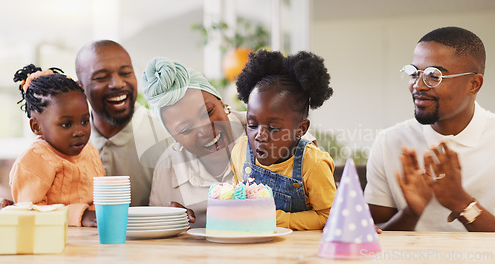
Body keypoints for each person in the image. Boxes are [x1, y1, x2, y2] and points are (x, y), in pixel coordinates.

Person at [364, 26, 495, 232]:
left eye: (434, 76)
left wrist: (462, 203)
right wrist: (411, 212)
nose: (418, 85)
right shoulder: (389, 142)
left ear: (474, 84)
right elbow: (376, 234)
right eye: (414, 73)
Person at [231, 49, 337, 230]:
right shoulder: (240, 152)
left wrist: (277, 219)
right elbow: (238, 200)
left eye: (273, 128)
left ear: (301, 129)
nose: (260, 136)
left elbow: (330, 216)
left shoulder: (313, 164)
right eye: (252, 125)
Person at [142, 57, 246, 227]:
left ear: (222, 103)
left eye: (208, 112)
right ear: (174, 138)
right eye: (185, 130)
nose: (206, 131)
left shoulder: (271, 133)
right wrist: (172, 223)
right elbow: (155, 239)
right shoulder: (167, 170)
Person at [75, 40, 171, 207]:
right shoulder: (64, 142)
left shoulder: (166, 137)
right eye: (101, 77)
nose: (118, 84)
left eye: (126, 73)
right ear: (81, 89)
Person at [10, 64, 105, 227]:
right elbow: (28, 212)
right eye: (66, 124)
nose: (79, 132)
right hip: (55, 242)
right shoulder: (34, 160)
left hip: (93, 237)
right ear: (37, 127)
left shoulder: (89, 150)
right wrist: (80, 216)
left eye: (84, 121)